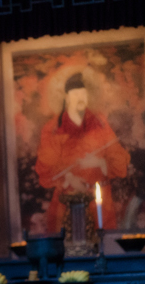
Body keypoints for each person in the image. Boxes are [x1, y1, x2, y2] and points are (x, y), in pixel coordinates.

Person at [34, 72, 131, 233]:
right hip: (68, 200)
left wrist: (100, 162)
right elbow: (46, 165)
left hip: (100, 200)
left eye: (83, 93)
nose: (80, 98)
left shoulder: (100, 123)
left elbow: (118, 157)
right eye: (76, 94)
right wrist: (69, 178)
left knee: (103, 241)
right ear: (67, 97)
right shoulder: (53, 128)